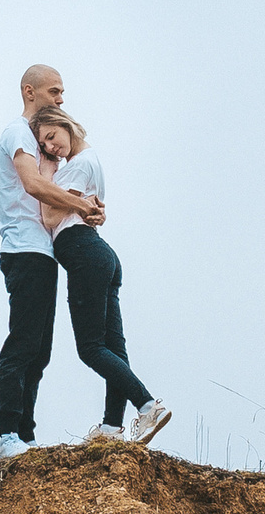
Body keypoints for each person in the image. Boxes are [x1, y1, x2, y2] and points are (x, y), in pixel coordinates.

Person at [30, 105, 170, 447]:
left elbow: (49, 216)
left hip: (84, 253)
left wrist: (46, 175)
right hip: (98, 253)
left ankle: (147, 405)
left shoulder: (79, 165)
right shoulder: (87, 163)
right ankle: (111, 428)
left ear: (64, 125)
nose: (50, 148)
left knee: (91, 348)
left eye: (51, 137)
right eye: (44, 146)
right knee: (113, 349)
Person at [0, 62, 102, 460]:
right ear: (29, 91)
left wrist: (88, 208)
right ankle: (8, 435)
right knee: (22, 343)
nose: (60, 99)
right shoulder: (17, 133)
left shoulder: (43, 143)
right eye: (54, 91)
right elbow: (33, 185)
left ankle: (27, 436)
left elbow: (60, 187)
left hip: (44, 252)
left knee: (40, 350)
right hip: (22, 249)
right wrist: (80, 205)